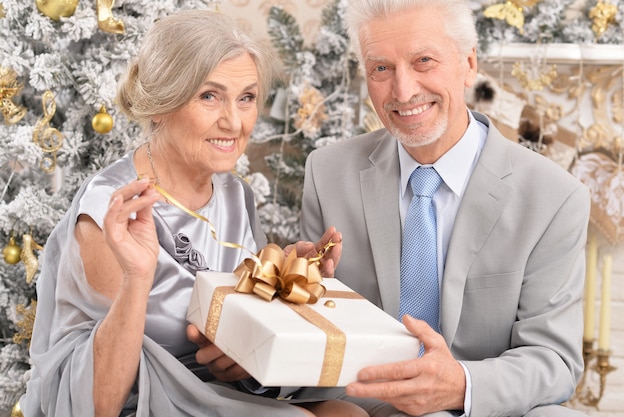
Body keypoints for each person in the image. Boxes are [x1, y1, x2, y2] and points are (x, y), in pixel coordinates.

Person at [19, 9, 367, 417]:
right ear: (160, 104)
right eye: (209, 96)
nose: (235, 122)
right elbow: (95, 404)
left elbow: (237, 327)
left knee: (350, 413)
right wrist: (137, 277)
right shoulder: (112, 211)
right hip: (143, 401)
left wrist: (287, 278)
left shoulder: (234, 193)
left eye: (247, 98)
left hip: (215, 391)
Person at [298, 1, 591, 416]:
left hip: (480, 405)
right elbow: (306, 342)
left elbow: (552, 361)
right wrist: (295, 291)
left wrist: (461, 386)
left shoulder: (554, 197)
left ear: (469, 64)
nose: (403, 91)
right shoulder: (327, 174)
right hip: (367, 407)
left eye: (424, 61)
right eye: (381, 68)